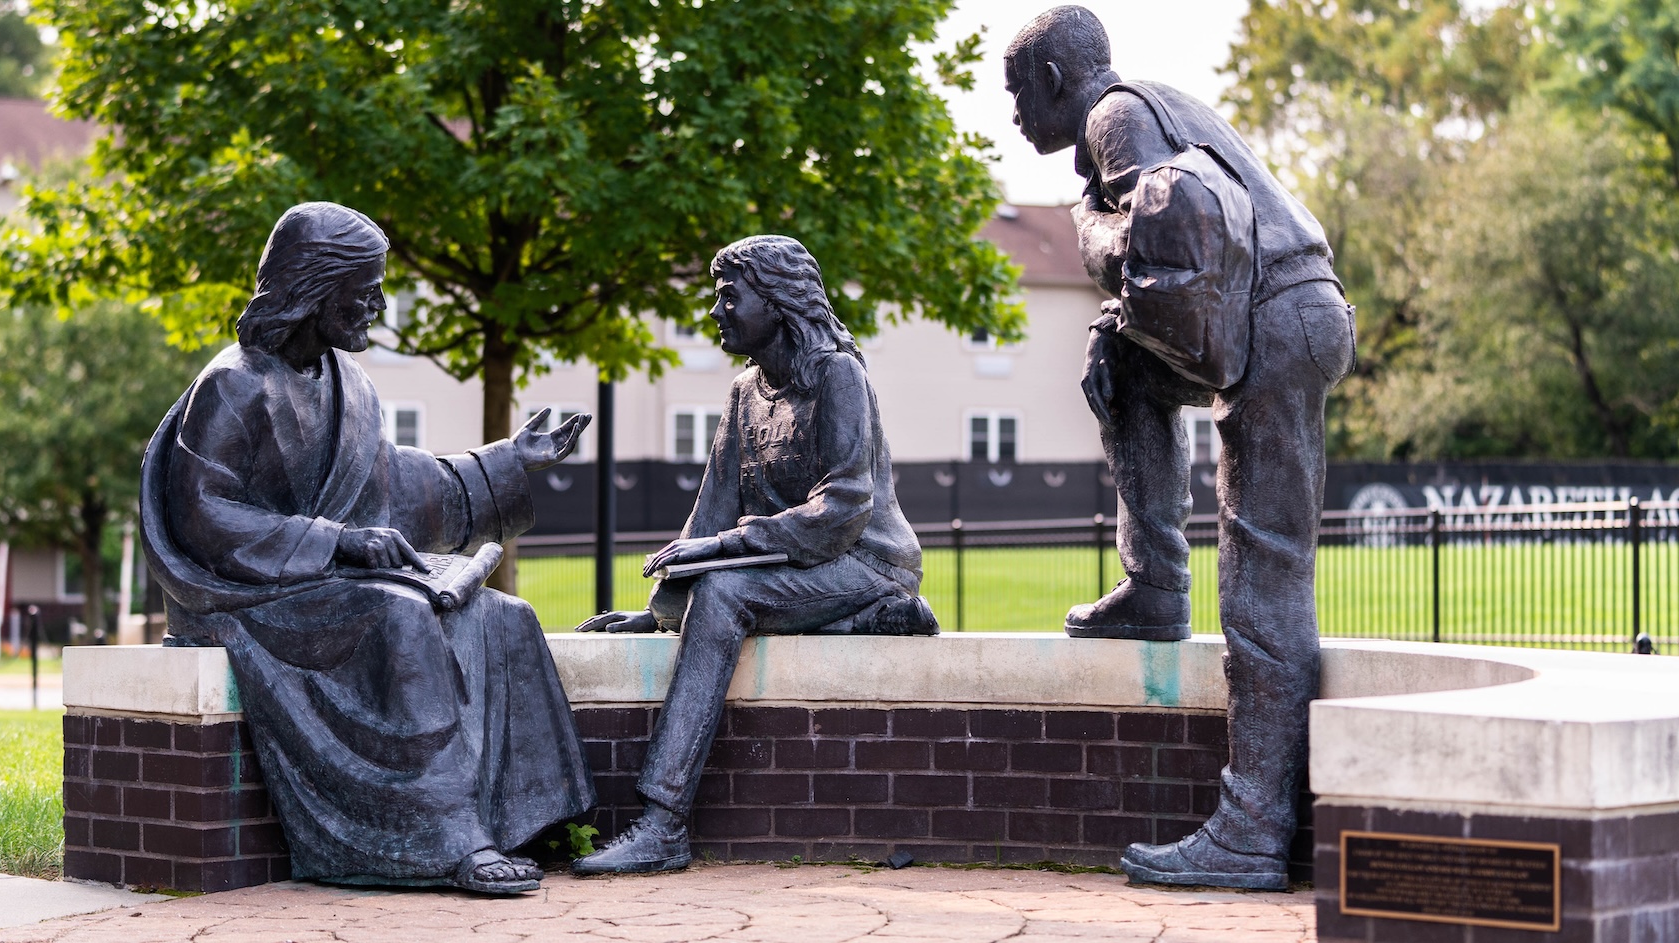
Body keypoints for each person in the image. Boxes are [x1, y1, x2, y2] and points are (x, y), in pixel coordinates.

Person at [138, 202, 596, 895]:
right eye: (366, 288)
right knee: (399, 616)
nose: (378, 304)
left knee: (505, 616)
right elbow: (202, 513)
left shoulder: (352, 387)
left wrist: (509, 461)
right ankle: (445, 839)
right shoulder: (233, 384)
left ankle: (535, 815)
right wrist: (338, 542)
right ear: (313, 288)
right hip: (249, 588)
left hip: (315, 584)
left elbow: (396, 484)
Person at [1003, 7, 1355, 889]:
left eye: (1016, 93)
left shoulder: (1114, 115)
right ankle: (1155, 584)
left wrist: (1089, 231)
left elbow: (1172, 228)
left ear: (1052, 80)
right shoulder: (1147, 108)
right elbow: (1169, 272)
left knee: (1264, 571)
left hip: (1277, 317)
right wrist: (1121, 329)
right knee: (1119, 364)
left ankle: (1251, 829)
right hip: (1269, 313)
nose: (1012, 116)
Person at [569, 235, 937, 875]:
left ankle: (662, 826)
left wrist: (731, 546)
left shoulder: (837, 374)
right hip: (800, 565)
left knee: (725, 594)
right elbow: (710, 513)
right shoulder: (744, 392)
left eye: (729, 296)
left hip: (866, 559)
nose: (715, 312)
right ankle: (868, 619)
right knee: (715, 591)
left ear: (776, 299)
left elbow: (845, 507)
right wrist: (657, 615)